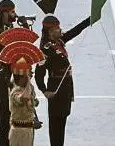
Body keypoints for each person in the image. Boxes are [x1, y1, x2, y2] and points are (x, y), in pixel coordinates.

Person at [35, 14, 91, 146]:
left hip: (66, 88)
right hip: (56, 89)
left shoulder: (59, 41)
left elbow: (76, 31)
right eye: (57, 28)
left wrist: (89, 19)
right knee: (56, 124)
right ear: (50, 31)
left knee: (63, 120)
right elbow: (39, 73)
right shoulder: (45, 50)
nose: (60, 30)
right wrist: (44, 90)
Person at [0, 0, 19, 146]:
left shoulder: (11, 29)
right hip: (4, 75)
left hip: (12, 73)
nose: (15, 14)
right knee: (4, 114)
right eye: (12, 11)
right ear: (5, 14)